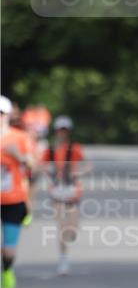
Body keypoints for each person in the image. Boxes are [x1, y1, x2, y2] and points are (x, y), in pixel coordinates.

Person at [41, 115, 88, 276]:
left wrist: (77, 172)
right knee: (62, 227)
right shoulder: (50, 150)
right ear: (55, 132)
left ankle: (68, 242)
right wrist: (49, 172)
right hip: (57, 192)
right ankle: (63, 259)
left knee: (72, 230)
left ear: (69, 132)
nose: (62, 133)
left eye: (65, 131)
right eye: (60, 130)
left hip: (73, 191)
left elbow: (87, 165)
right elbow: (41, 166)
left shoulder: (75, 149)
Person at [1, 95, 34, 288]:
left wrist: (17, 155)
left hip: (13, 198)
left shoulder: (19, 137)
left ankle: (6, 270)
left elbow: (32, 164)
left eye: (1, 114)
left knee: (8, 248)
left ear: (7, 115)